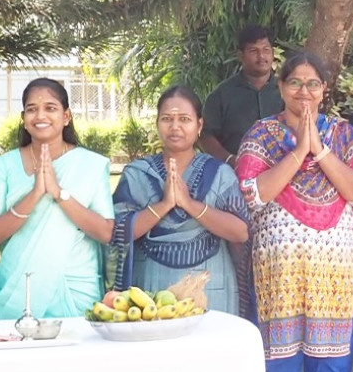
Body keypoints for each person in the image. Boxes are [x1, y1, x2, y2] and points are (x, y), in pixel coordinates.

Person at [236, 50, 353, 372]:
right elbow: (254, 192)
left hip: (331, 274)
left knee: (330, 367)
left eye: (313, 83)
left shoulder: (346, 135)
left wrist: (322, 150)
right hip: (277, 275)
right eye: (295, 82)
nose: (305, 91)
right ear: (281, 88)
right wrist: (299, 152)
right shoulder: (261, 134)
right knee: (278, 370)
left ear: (325, 89)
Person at [107, 85, 250, 316]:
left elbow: (241, 232)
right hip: (150, 289)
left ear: (199, 125)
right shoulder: (137, 173)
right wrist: (163, 205)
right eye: (167, 119)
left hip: (211, 286)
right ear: (157, 123)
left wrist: (190, 205)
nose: (175, 127)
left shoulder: (220, 172)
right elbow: (118, 232)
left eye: (184, 119)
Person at [0, 77, 114, 319]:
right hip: (19, 290)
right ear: (24, 118)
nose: (40, 115)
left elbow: (105, 232)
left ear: (66, 116)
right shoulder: (5, 166)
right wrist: (35, 194)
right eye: (32, 109)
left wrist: (58, 193)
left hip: (75, 290)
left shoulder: (90, 165)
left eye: (50, 108)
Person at [201, 24, 284, 165]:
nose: (261, 56)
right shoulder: (222, 95)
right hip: (234, 175)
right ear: (241, 55)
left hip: (282, 173)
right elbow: (205, 135)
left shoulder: (287, 92)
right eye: (253, 51)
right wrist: (229, 160)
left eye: (266, 50)